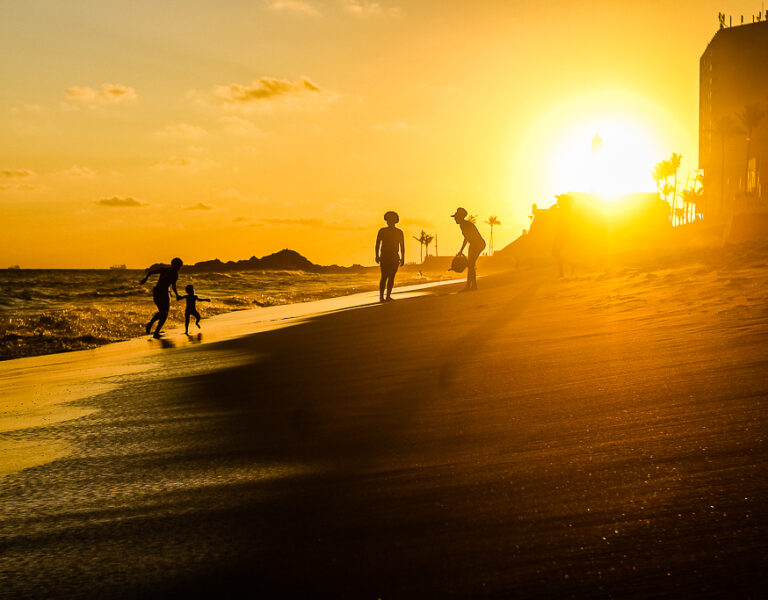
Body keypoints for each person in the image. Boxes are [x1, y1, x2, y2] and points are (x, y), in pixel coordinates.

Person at [140, 257, 183, 338]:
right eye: (179, 266)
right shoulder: (169, 271)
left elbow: (173, 285)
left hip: (164, 293)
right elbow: (151, 272)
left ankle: (152, 326)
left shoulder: (172, 272)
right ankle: (153, 328)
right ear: (174, 265)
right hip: (160, 292)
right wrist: (145, 279)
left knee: (163, 313)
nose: (179, 268)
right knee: (163, 313)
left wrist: (177, 295)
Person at [452, 207, 486, 291]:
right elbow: (467, 238)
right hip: (474, 244)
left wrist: (461, 250)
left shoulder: (465, 225)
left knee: (471, 264)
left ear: (460, 217)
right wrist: (461, 250)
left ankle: (470, 287)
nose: (455, 219)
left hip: (478, 244)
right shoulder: (463, 225)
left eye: (456, 217)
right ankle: (472, 286)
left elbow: (467, 238)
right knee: (471, 265)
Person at [375, 211, 405, 302]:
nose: (389, 221)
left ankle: (387, 296)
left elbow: (402, 246)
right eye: (388, 219)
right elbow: (377, 244)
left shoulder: (399, 232)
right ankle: (382, 297)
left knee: (391, 277)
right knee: (384, 276)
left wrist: (403, 258)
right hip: (385, 256)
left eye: (391, 219)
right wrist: (377, 255)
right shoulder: (382, 231)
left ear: (395, 220)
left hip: (394, 256)